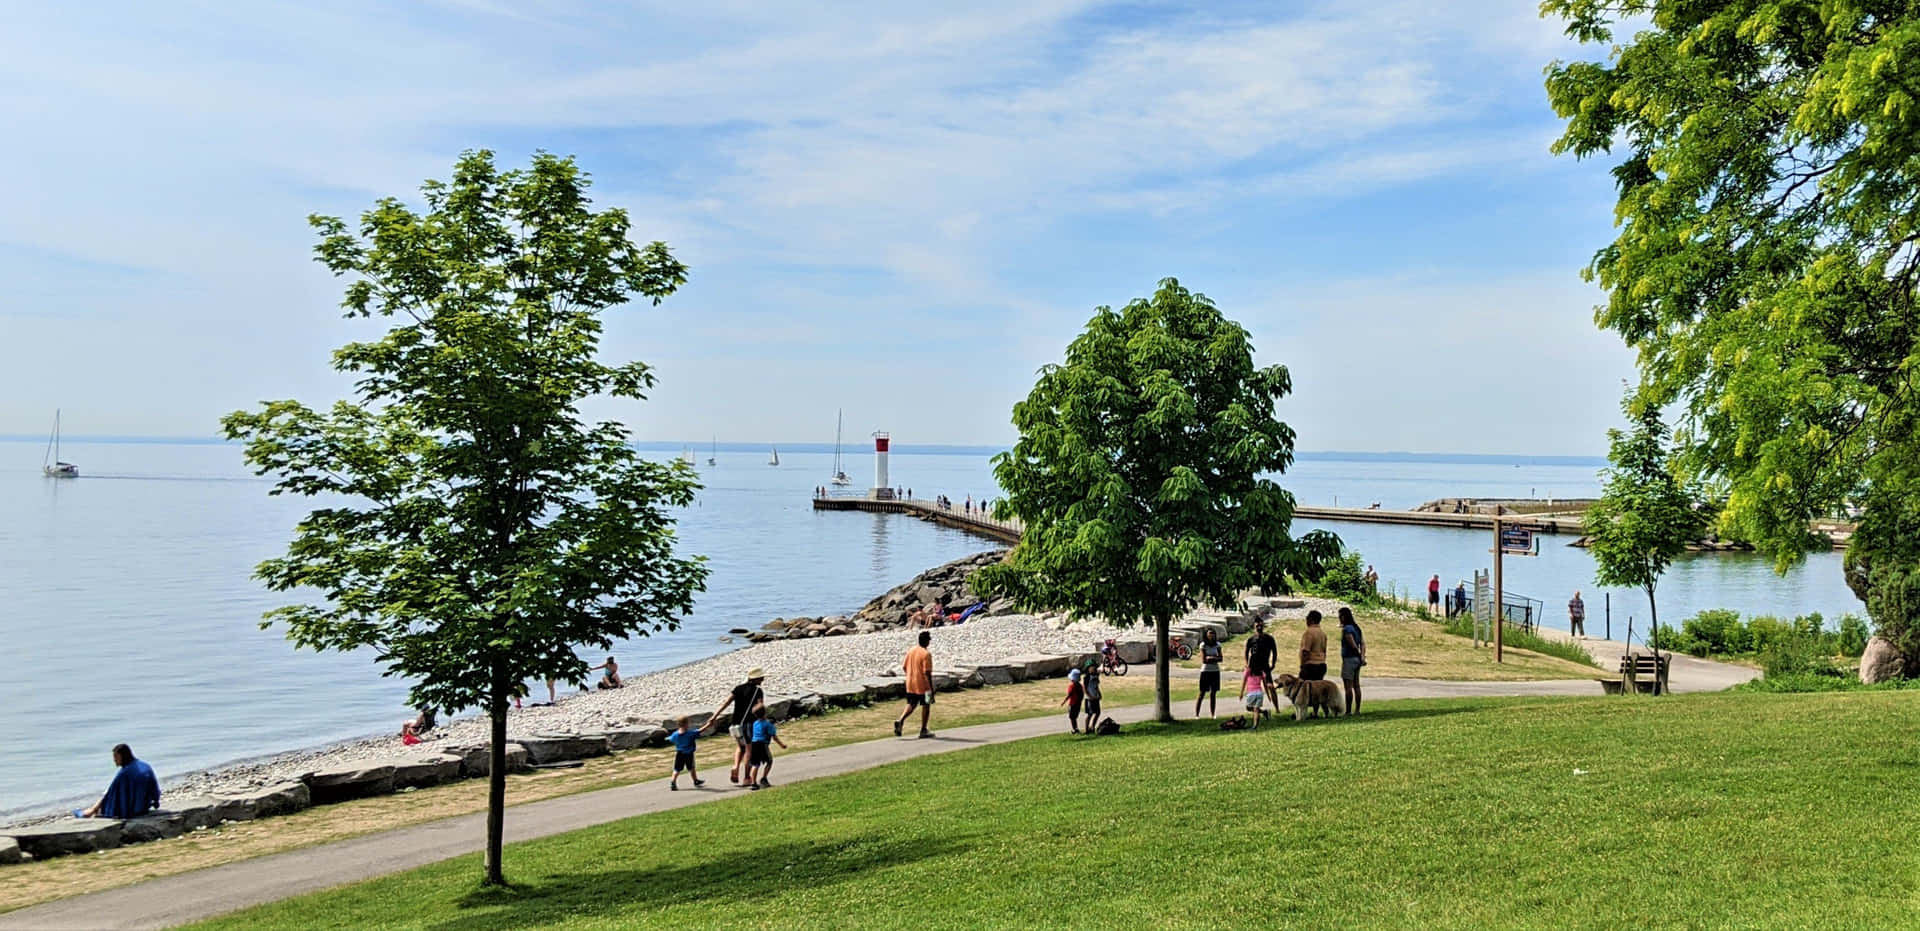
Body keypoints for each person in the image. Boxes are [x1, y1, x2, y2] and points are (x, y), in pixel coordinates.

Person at [703, 668, 767, 785]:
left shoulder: (738, 688)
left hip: (735, 723)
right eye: (761, 678)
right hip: (749, 724)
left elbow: (726, 703)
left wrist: (715, 716)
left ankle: (735, 766)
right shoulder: (758, 691)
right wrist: (764, 723)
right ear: (755, 679)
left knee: (740, 747)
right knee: (749, 750)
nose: (763, 679)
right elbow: (761, 708)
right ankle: (747, 778)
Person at [76, 744, 160, 819]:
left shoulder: (125, 773)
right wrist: (155, 802)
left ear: (122, 756)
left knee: (109, 794)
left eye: (116, 757)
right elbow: (155, 789)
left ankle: (89, 812)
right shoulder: (145, 765)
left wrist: (94, 809)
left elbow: (110, 793)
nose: (114, 760)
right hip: (145, 805)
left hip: (134, 810)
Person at [894, 630, 935, 738]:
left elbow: (904, 667)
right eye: (929, 639)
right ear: (926, 641)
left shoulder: (911, 650)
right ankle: (923, 730)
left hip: (910, 683)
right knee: (926, 705)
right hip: (924, 685)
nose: (929, 641)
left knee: (911, 703)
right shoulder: (926, 654)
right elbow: (927, 672)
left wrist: (911, 675)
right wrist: (931, 688)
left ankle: (900, 720)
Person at [744, 708, 786, 790]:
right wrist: (782, 745)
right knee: (769, 761)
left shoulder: (755, 723)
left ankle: (753, 783)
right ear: (765, 713)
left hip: (754, 744)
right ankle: (763, 778)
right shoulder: (768, 724)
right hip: (763, 744)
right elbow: (774, 737)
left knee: (755, 764)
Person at [1339, 606, 1366, 716]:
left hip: (1349, 658)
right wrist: (1362, 657)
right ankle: (1357, 709)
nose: (1339, 618)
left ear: (1344, 617)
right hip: (1357, 660)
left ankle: (1348, 710)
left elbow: (1351, 641)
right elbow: (1363, 643)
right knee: (1357, 685)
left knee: (1348, 686)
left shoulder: (1347, 629)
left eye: (1340, 616)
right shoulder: (1357, 628)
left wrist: (1357, 651)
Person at [666, 716, 705, 790]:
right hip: (689, 753)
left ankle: (673, 782)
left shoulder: (675, 734)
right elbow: (700, 731)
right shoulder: (690, 733)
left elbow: (670, 739)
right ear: (686, 724)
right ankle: (695, 780)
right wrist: (709, 724)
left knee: (677, 769)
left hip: (679, 753)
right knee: (691, 767)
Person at [1194, 628, 1224, 718]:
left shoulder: (1218, 645)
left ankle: (1213, 714)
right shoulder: (1203, 645)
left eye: (1213, 634)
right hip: (1205, 671)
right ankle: (1197, 714)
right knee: (1202, 693)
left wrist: (1211, 658)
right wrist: (1214, 658)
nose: (1211, 635)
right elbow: (1204, 660)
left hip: (1215, 671)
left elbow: (1221, 658)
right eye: (1210, 634)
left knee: (1213, 693)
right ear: (1206, 635)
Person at [1244, 617, 1278, 695]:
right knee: (1254, 687)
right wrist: (1247, 664)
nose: (1259, 627)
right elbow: (1246, 652)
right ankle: (1254, 706)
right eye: (1257, 625)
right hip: (1253, 665)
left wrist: (1273, 663)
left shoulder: (1269, 638)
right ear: (1254, 626)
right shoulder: (1251, 639)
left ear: (1263, 626)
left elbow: (1274, 652)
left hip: (1265, 665)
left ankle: (1276, 707)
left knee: (1270, 686)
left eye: (1261, 625)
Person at [1299, 610, 1329, 681]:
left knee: (1305, 688)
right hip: (1321, 665)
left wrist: (1302, 665)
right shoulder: (1322, 633)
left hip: (1311, 665)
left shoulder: (1309, 632)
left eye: (1307, 618)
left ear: (1311, 620)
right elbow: (1324, 651)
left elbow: (1306, 651)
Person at [1239, 663, 1266, 729]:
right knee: (1256, 710)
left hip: (1251, 693)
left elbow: (1244, 682)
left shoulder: (1248, 671)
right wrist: (1268, 694)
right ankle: (1255, 725)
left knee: (1248, 708)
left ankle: (1256, 723)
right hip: (1260, 693)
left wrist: (1241, 693)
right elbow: (1265, 683)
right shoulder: (1261, 672)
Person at [1081, 659, 1103, 732]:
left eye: (1094, 667)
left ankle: (1092, 726)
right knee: (1090, 714)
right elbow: (1084, 688)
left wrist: (1099, 694)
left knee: (1097, 713)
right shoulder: (1086, 677)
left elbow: (1096, 686)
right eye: (1091, 667)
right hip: (1089, 699)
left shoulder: (1096, 676)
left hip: (1095, 697)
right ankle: (1086, 729)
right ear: (1088, 668)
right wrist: (1090, 696)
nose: (1093, 668)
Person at [1061, 667, 1085, 733]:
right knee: (1074, 717)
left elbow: (1069, 695)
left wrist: (1064, 701)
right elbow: (1082, 694)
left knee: (1072, 717)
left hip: (1072, 703)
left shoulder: (1071, 686)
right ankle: (1076, 728)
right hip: (1078, 703)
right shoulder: (1080, 686)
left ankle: (1074, 729)